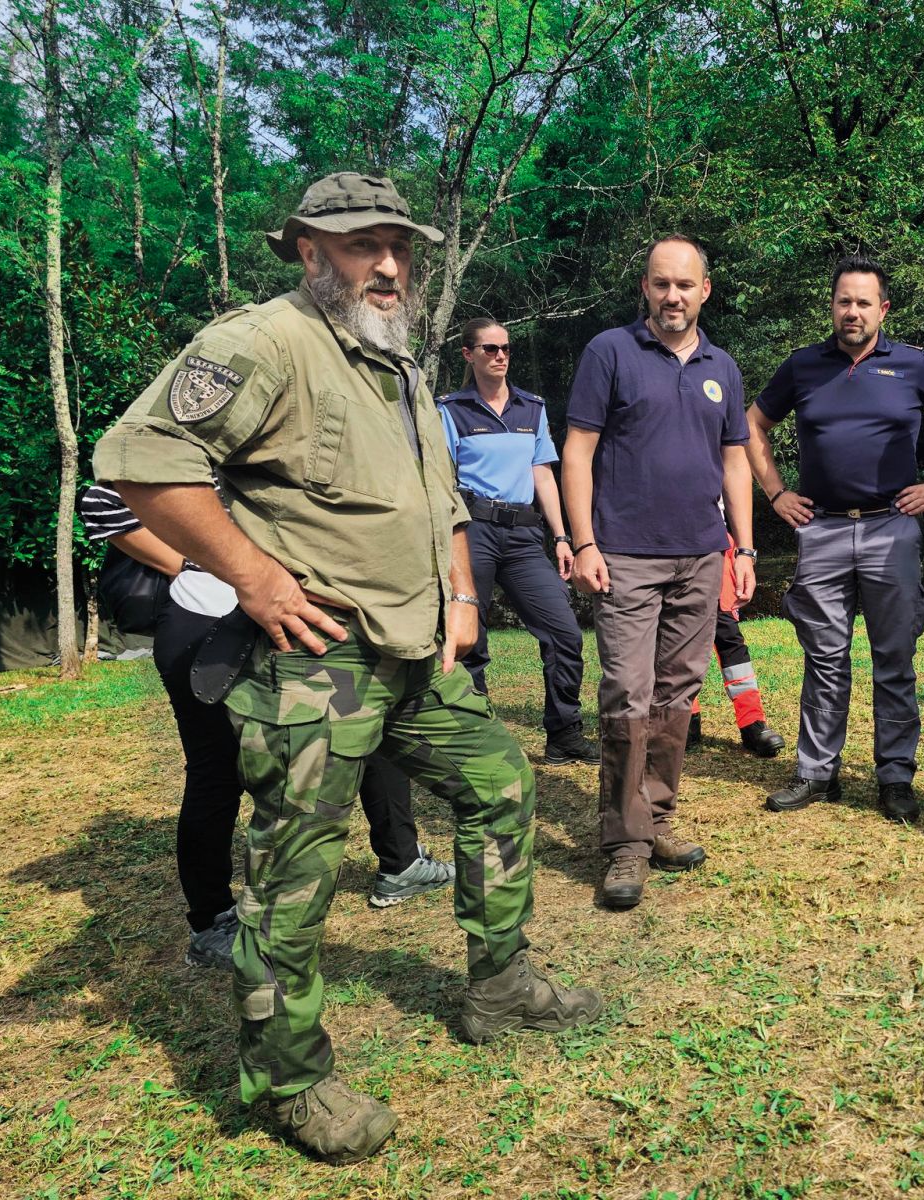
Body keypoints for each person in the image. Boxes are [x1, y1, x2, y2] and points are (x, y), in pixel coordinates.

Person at [92, 171, 602, 1164]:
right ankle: (287, 1079)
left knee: (499, 784)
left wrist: (460, 597)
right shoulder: (265, 341)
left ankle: (499, 987)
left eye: (398, 245)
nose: (389, 262)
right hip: (317, 663)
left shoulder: (397, 365)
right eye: (363, 243)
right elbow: (139, 459)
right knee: (297, 870)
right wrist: (257, 582)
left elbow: (440, 499)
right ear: (310, 252)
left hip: (413, 652)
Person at [79, 486, 454, 966]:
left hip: (302, 618)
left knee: (368, 729)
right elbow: (103, 499)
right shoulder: (191, 421)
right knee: (216, 770)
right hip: (211, 622)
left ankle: (402, 863)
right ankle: (212, 919)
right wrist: (194, 563)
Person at [747, 255, 924, 822]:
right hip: (820, 527)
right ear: (832, 306)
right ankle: (816, 773)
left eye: (863, 302)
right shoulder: (802, 367)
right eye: (843, 301)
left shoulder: (915, 366)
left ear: (883, 309)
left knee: (893, 658)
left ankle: (895, 777)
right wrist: (776, 493)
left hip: (890, 528)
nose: (852, 312)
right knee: (824, 658)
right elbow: (752, 424)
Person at [561, 235, 755, 911]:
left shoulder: (721, 367)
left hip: (702, 553)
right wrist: (583, 542)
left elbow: (736, 461)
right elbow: (577, 452)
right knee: (626, 693)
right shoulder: (609, 353)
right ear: (645, 287)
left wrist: (745, 549)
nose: (673, 296)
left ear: (706, 290)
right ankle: (624, 843)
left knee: (677, 695)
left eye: (685, 285)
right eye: (660, 283)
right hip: (625, 555)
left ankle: (659, 817)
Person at [437, 317, 599, 766]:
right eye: (489, 349)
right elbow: (440, 481)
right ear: (469, 355)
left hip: (525, 535)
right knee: (471, 639)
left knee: (565, 631)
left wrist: (563, 537)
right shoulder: (451, 409)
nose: (501, 356)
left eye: (505, 348)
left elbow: (542, 473)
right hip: (474, 530)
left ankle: (564, 735)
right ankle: (476, 740)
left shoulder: (532, 407)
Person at [686, 532, 786, 757]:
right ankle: (685, 722)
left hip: (717, 548)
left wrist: (743, 554)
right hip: (670, 551)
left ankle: (753, 724)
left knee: (731, 645)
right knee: (680, 645)